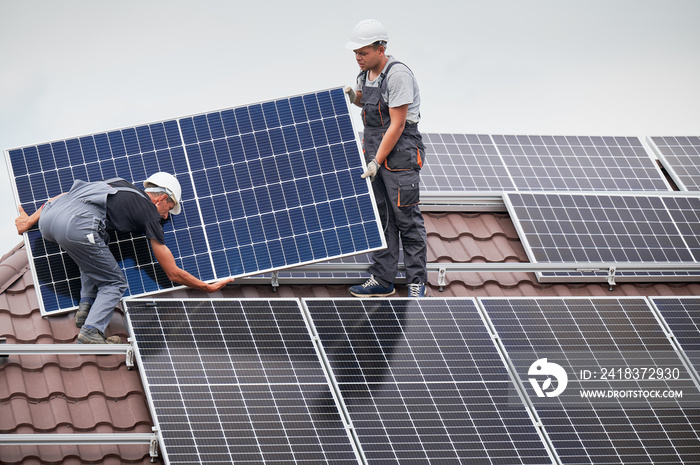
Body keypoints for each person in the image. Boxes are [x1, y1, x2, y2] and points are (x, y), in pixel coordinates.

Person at [15, 172, 233, 344]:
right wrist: (206, 287)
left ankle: (86, 306)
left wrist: (29, 221)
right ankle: (91, 332)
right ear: (162, 198)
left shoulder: (118, 183)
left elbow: (64, 196)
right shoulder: (149, 213)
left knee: (99, 243)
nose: (167, 215)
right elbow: (172, 272)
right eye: (169, 208)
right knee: (115, 282)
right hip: (76, 226)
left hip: (48, 220)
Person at [344, 19, 428, 298]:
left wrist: (376, 162)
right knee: (381, 218)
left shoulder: (397, 75)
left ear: (381, 49)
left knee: (406, 218)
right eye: (356, 53)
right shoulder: (364, 73)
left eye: (363, 52)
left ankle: (416, 280)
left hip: (399, 154)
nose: (358, 57)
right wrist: (354, 96)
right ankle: (382, 279)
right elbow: (366, 102)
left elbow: (397, 125)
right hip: (374, 153)